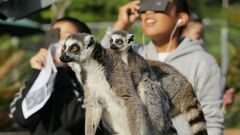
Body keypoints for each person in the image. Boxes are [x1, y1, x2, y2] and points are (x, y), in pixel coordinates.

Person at [102, 0, 225, 135]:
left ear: (181, 18)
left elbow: (211, 119)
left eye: (159, 5)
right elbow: (100, 65)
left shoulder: (202, 61)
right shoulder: (133, 54)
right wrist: (121, 24)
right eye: (144, 7)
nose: (149, 12)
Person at [9, 17, 110, 135]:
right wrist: (37, 74)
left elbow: (73, 118)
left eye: (67, 35)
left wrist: (60, 70)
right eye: (54, 35)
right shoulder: (41, 76)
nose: (59, 41)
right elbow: (22, 119)